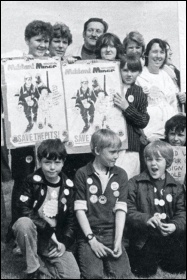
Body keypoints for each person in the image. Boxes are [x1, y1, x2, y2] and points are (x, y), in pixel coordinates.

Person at [6, 20, 53, 241]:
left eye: (46, 41)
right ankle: (17, 230)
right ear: (27, 41)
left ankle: (46, 229)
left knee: (47, 180)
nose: (43, 45)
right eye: (38, 40)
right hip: (23, 136)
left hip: (47, 133)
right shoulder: (15, 63)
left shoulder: (54, 64)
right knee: (23, 181)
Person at [12, 139, 80, 279]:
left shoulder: (69, 186)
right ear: (39, 161)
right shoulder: (31, 181)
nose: (52, 167)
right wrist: (47, 230)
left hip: (55, 239)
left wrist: (64, 243)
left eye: (57, 162)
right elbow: (22, 209)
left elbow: (72, 220)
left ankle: (41, 267)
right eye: (47, 162)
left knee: (73, 276)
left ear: (64, 162)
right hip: (36, 234)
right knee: (23, 223)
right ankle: (33, 270)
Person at [74, 129, 131, 279]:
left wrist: (118, 241)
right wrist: (92, 240)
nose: (117, 156)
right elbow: (79, 211)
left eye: (118, 151)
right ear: (97, 150)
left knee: (124, 275)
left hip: (112, 233)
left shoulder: (121, 174)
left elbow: (121, 211)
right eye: (112, 152)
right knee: (93, 275)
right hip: (89, 234)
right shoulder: (82, 173)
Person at [127, 140, 186, 277]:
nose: (153, 163)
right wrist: (146, 219)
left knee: (178, 266)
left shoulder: (176, 187)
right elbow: (129, 211)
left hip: (169, 237)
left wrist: (174, 226)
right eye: (149, 159)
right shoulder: (134, 183)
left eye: (158, 160)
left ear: (168, 162)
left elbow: (182, 212)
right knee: (144, 270)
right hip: (145, 239)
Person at [113, 54, 149, 179]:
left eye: (133, 71)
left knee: (128, 180)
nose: (129, 74)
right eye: (125, 70)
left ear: (139, 72)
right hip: (112, 143)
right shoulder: (112, 88)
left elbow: (143, 120)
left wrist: (126, 107)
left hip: (131, 146)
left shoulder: (138, 92)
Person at [136, 38, 179, 142]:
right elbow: (135, 110)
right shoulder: (139, 77)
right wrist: (144, 134)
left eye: (162, 52)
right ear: (146, 54)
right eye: (155, 52)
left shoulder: (167, 76)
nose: (158, 56)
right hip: (150, 135)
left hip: (170, 135)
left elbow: (174, 104)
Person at [163, 41, 186, 111]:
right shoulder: (155, 74)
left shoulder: (176, 72)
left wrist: (184, 96)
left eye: (170, 50)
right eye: (167, 50)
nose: (171, 53)